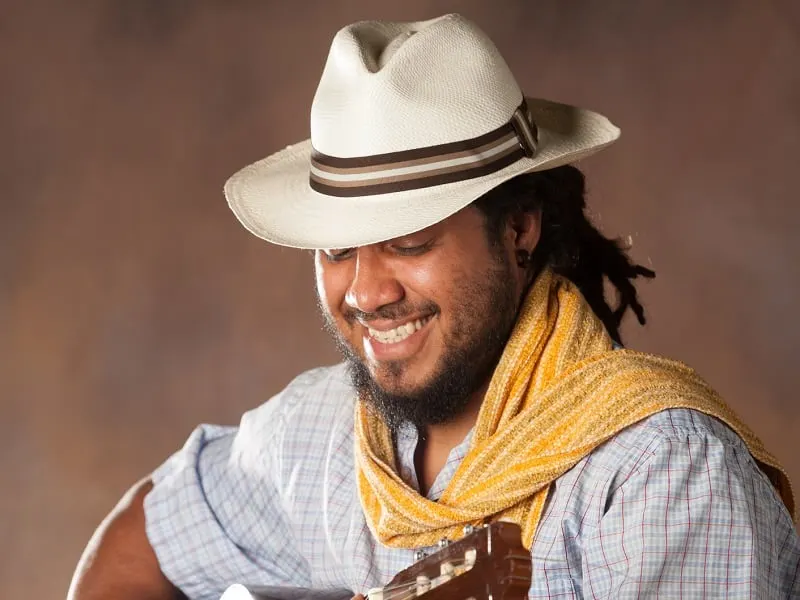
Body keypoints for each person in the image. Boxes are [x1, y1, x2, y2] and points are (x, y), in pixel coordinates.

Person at [69, 13, 799, 600]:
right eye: (335, 249)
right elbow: (137, 549)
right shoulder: (317, 438)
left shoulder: (660, 476)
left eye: (407, 243)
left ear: (518, 230)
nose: (364, 292)